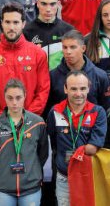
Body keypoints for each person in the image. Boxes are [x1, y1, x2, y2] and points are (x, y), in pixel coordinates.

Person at [0, 2, 50, 120]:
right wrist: (0, 118)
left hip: (29, 123)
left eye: (16, 22)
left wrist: (28, 118)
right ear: (1, 23)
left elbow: (43, 91)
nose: (11, 27)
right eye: (7, 22)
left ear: (23, 24)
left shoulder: (38, 54)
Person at [47, 70, 107, 205]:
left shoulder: (98, 112)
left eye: (82, 88)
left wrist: (78, 150)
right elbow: (53, 141)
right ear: (65, 89)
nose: (78, 93)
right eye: (73, 89)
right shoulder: (55, 111)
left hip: (88, 175)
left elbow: (93, 149)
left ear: (89, 88)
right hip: (64, 176)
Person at [0, 78, 48, 206]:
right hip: (4, 188)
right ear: (4, 97)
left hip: (31, 187)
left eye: (18, 97)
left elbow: (43, 154)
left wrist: (33, 170)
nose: (14, 102)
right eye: (10, 98)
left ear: (25, 96)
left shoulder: (38, 122)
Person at [48, 30, 110, 114]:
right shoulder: (52, 76)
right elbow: (49, 109)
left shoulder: (100, 76)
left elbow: (105, 109)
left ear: (83, 48)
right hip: (61, 126)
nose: (68, 52)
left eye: (73, 47)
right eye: (65, 47)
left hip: (92, 126)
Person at [23, 0, 74, 70]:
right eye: (44, 4)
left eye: (52, 4)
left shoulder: (69, 31)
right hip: (36, 80)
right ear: (37, 3)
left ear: (58, 4)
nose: (48, 9)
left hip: (61, 81)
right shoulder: (26, 31)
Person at [85, 0, 110, 76]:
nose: (109, 18)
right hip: (98, 86)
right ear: (100, 17)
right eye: (105, 15)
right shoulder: (88, 40)